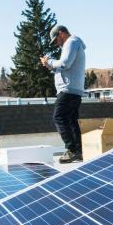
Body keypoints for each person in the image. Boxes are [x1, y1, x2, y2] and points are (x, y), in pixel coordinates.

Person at [40, 25, 86, 164]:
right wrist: (50, 66)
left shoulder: (71, 42)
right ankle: (78, 150)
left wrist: (50, 61)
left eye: (56, 40)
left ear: (61, 34)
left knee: (59, 118)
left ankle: (71, 149)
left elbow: (65, 64)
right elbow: (66, 68)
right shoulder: (74, 43)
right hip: (74, 90)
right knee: (71, 121)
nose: (56, 44)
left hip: (67, 90)